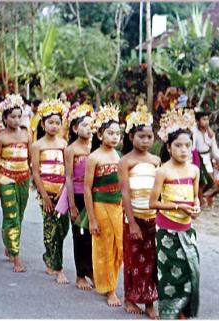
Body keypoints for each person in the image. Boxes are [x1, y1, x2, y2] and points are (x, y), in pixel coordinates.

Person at [149, 107, 201, 319]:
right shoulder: (163, 171)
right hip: (167, 232)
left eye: (187, 145)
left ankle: (184, 311)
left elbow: (195, 197)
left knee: (191, 273)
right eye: (178, 145)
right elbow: (153, 203)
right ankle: (171, 313)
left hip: (187, 230)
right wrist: (178, 207)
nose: (183, 150)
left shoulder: (194, 170)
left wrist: (196, 207)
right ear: (169, 147)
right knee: (170, 276)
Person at [118, 104, 160, 318]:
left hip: (153, 218)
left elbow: (159, 192)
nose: (146, 141)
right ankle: (130, 298)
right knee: (134, 260)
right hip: (133, 217)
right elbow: (125, 193)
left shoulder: (156, 161)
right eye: (141, 136)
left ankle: (150, 302)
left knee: (152, 261)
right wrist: (131, 221)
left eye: (149, 137)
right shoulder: (125, 161)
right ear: (131, 136)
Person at [84, 104, 123, 307]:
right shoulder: (94, 157)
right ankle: (109, 289)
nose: (115, 137)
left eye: (117, 133)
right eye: (110, 133)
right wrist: (91, 219)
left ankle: (111, 282)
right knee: (106, 247)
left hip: (117, 207)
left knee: (119, 247)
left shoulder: (119, 156)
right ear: (100, 134)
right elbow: (88, 189)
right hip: (101, 206)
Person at [55, 103, 94, 290]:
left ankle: (92, 270)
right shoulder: (71, 150)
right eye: (84, 125)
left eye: (91, 125)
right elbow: (69, 178)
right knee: (80, 235)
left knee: (93, 235)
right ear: (74, 128)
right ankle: (80, 275)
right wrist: (71, 204)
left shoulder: (95, 147)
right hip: (78, 195)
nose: (88, 128)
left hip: (94, 196)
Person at [31, 99, 69, 284]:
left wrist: (64, 191)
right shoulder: (37, 145)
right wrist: (45, 196)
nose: (54, 126)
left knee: (63, 228)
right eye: (50, 122)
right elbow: (36, 173)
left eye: (57, 122)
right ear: (42, 124)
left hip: (63, 193)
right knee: (50, 229)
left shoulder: (63, 144)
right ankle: (57, 267)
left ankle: (49, 257)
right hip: (46, 193)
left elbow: (67, 170)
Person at [0, 94, 31, 272]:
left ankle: (9, 244)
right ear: (5, 118)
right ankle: (16, 257)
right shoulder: (0, 139)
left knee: (19, 216)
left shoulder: (26, 135)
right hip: (6, 180)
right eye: (12, 116)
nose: (16, 120)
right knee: (11, 216)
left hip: (24, 179)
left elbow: (31, 159)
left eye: (19, 116)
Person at [192, 111, 219, 207]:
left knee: (211, 181)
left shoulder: (210, 132)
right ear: (198, 121)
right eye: (203, 119)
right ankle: (200, 200)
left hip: (207, 157)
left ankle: (199, 196)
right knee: (201, 181)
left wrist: (217, 159)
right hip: (198, 157)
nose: (206, 121)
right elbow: (193, 146)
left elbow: (214, 147)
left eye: (207, 119)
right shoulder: (194, 131)